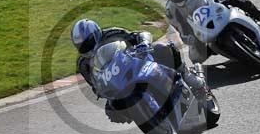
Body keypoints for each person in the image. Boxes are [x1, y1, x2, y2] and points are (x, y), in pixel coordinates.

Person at [71, 19, 215, 123]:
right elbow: (94, 84)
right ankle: (145, 116)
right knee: (112, 111)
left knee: (165, 49)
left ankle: (192, 79)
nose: (87, 48)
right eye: (82, 46)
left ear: (96, 34)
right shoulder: (83, 64)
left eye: (88, 42)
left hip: (136, 63)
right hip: (117, 83)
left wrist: (143, 43)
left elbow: (139, 34)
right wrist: (100, 90)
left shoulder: (111, 32)